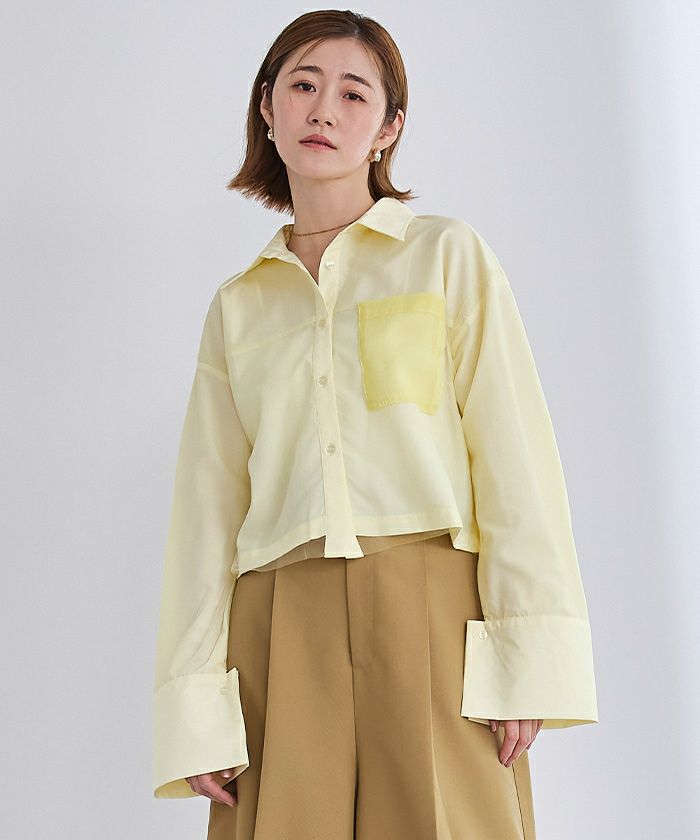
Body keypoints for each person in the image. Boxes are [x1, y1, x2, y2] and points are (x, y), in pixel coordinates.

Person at [151, 9, 599, 839]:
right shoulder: (239, 306)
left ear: (389, 128)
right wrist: (196, 709)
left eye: (354, 94)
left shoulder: (446, 256)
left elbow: (513, 459)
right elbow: (206, 515)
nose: (324, 110)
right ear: (267, 107)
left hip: (434, 614)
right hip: (279, 621)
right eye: (303, 85)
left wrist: (527, 658)